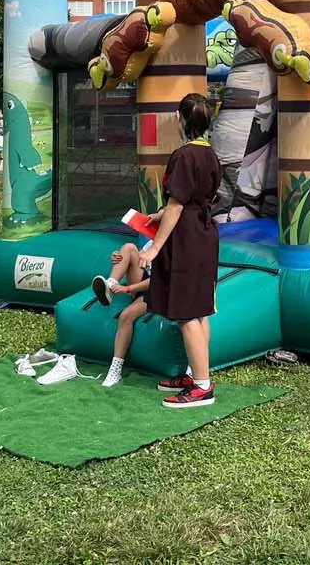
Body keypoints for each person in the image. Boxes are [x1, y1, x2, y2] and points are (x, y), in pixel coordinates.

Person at [91, 93, 222, 407]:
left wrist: (154, 248)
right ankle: (195, 374)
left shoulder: (182, 155)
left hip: (187, 238)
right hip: (205, 234)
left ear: (180, 118)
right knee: (200, 309)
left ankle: (202, 388)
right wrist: (158, 216)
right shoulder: (210, 155)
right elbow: (199, 198)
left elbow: (177, 206)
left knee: (187, 314)